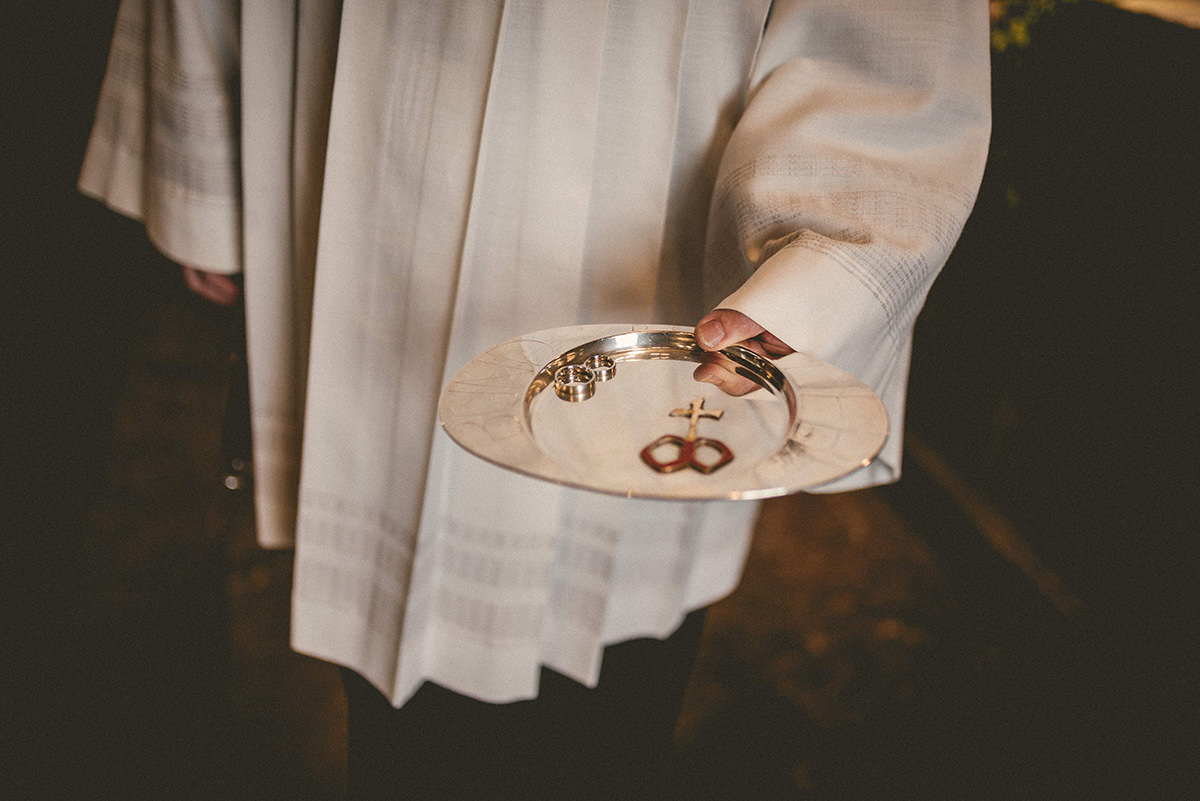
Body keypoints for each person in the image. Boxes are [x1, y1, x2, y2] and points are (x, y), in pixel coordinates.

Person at [79, 1, 990, 796]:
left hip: (643, 224)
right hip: (346, 170)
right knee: (383, 643)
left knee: (601, 686)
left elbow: (886, 31)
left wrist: (828, 268)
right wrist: (204, 148)